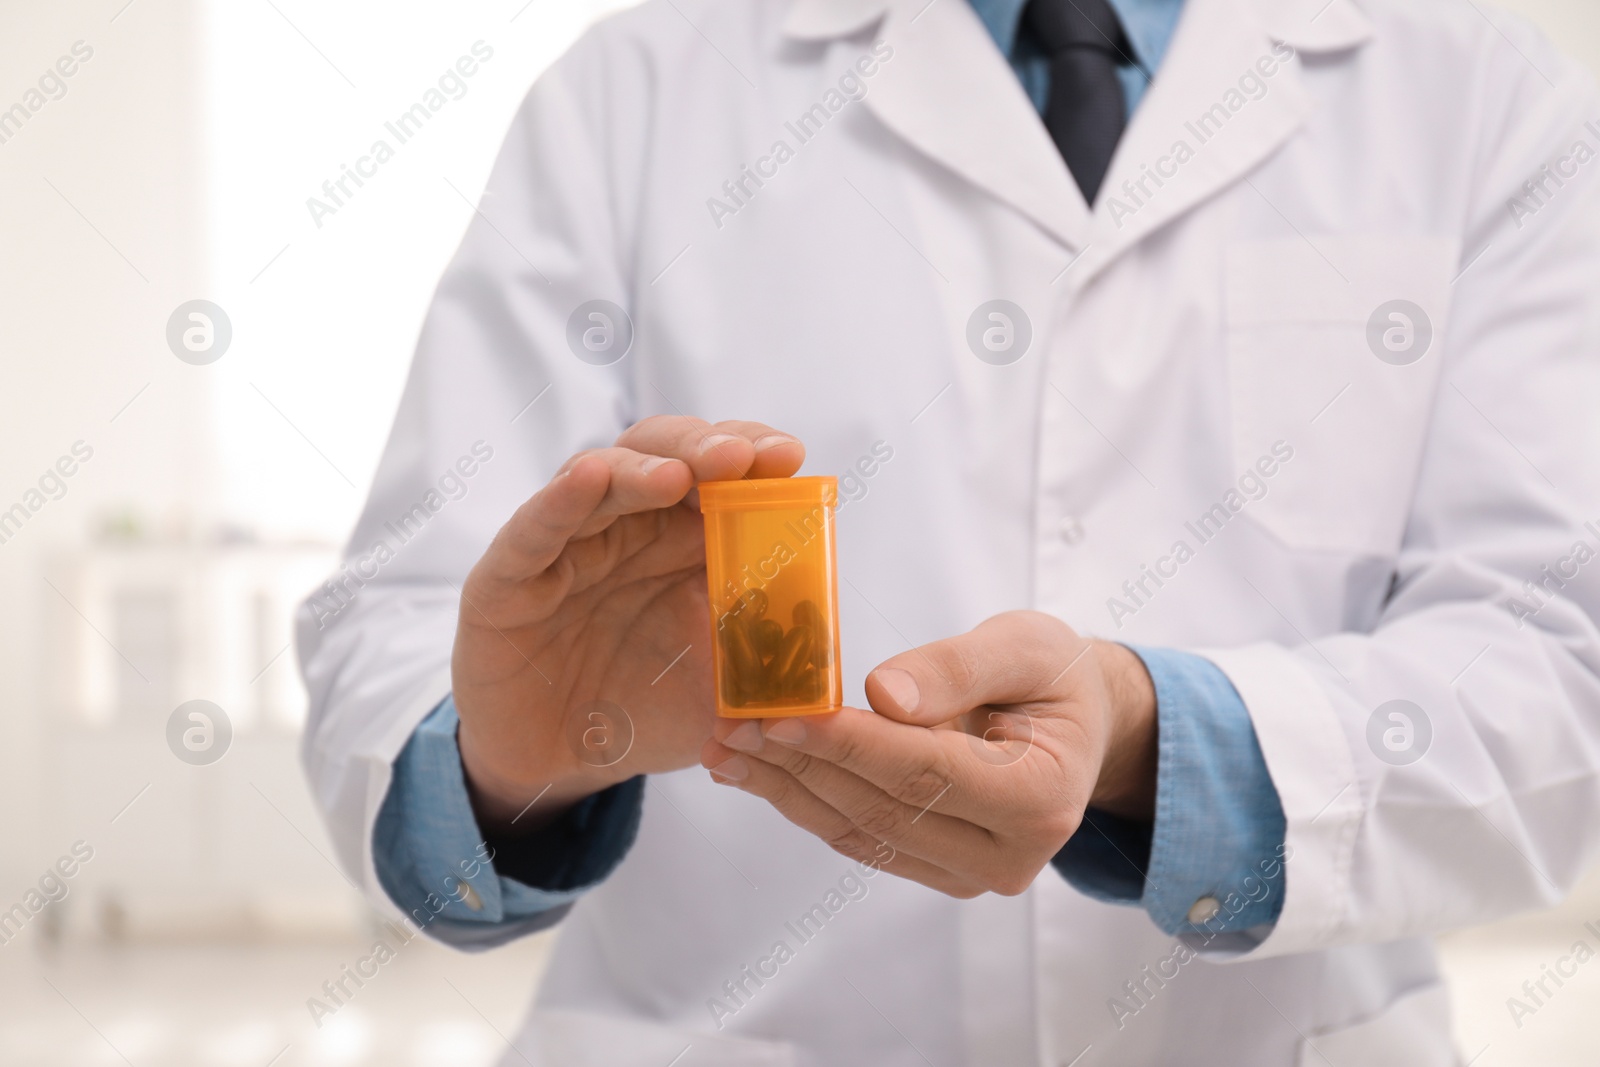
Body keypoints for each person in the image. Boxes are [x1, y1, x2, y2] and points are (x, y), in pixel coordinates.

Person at [296, 0, 1600, 1062]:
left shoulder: (1480, 97)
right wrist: (507, 771)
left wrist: (1154, 742)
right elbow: (404, 618)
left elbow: (1557, 655)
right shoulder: (632, 93)